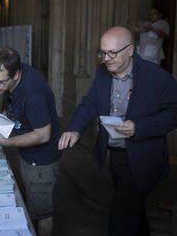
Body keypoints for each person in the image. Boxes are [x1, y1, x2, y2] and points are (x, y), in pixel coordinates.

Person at [58, 26, 177, 235]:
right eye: (103, 52)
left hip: (143, 157)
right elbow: (89, 104)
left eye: (112, 53)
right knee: (133, 210)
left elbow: (174, 113)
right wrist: (75, 130)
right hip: (116, 155)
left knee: (121, 218)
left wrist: (140, 127)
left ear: (130, 50)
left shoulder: (157, 77)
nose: (106, 58)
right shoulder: (103, 72)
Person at [0, 47, 61, 236]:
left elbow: (43, 135)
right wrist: (4, 116)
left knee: (42, 212)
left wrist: (6, 142)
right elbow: (14, 104)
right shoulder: (15, 73)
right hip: (29, 154)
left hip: (41, 160)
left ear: (16, 74)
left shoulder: (32, 94)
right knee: (30, 198)